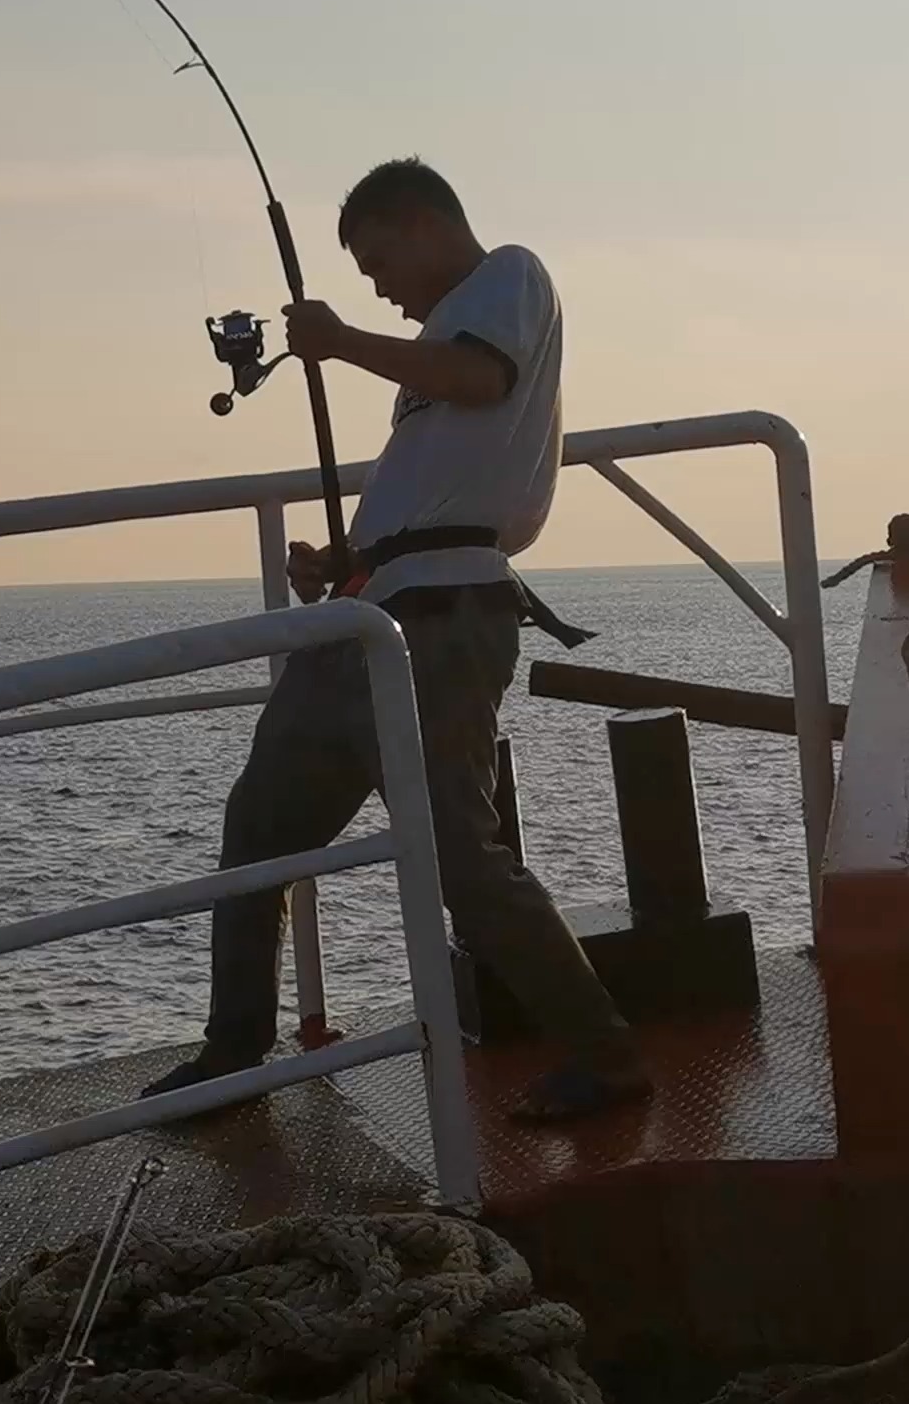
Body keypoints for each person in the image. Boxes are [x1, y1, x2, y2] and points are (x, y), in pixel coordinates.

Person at [146, 158, 652, 1123]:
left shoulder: (509, 276)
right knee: (257, 828)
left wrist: (340, 341)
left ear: (424, 223)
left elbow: (478, 378)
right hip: (368, 616)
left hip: (449, 616)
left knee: (460, 853)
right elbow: (430, 477)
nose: (379, 285)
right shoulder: (424, 355)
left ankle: (606, 1053)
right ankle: (233, 1050)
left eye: (379, 260)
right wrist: (342, 555)